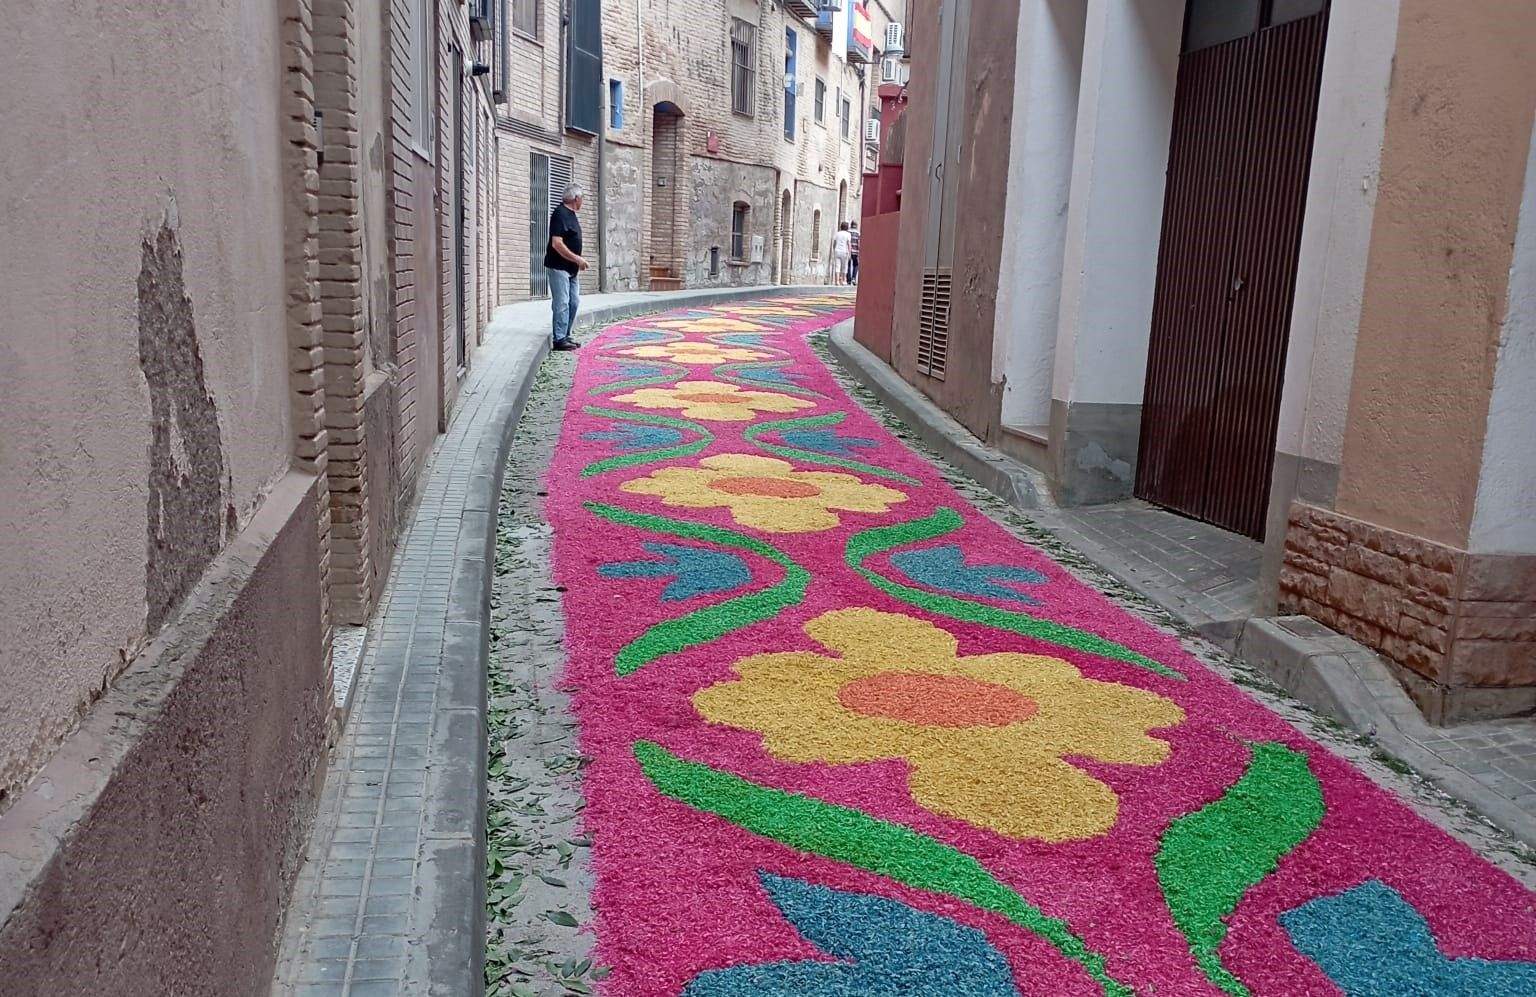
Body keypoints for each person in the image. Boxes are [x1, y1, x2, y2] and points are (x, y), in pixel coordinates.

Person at [545, 182, 590, 351]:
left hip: (571, 269)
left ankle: (566, 334)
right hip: (559, 267)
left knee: (574, 302)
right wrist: (577, 259)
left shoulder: (571, 214)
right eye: (582, 198)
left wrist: (576, 262)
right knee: (562, 303)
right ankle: (559, 338)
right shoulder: (560, 213)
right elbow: (557, 244)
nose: (583, 201)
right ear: (576, 198)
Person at [831, 222, 852, 287]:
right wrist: (850, 252)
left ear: (841, 227)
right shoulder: (848, 234)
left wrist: (834, 249)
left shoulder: (837, 233)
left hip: (837, 251)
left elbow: (834, 243)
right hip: (844, 251)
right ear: (847, 227)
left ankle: (837, 281)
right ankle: (843, 280)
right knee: (844, 266)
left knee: (837, 266)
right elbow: (848, 243)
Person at [847, 221, 861, 285]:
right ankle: (854, 278)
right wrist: (859, 251)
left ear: (851, 225)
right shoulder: (858, 233)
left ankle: (848, 280)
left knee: (848, 265)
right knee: (856, 265)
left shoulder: (848, 232)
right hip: (856, 252)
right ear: (856, 225)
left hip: (848, 251)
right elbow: (859, 243)